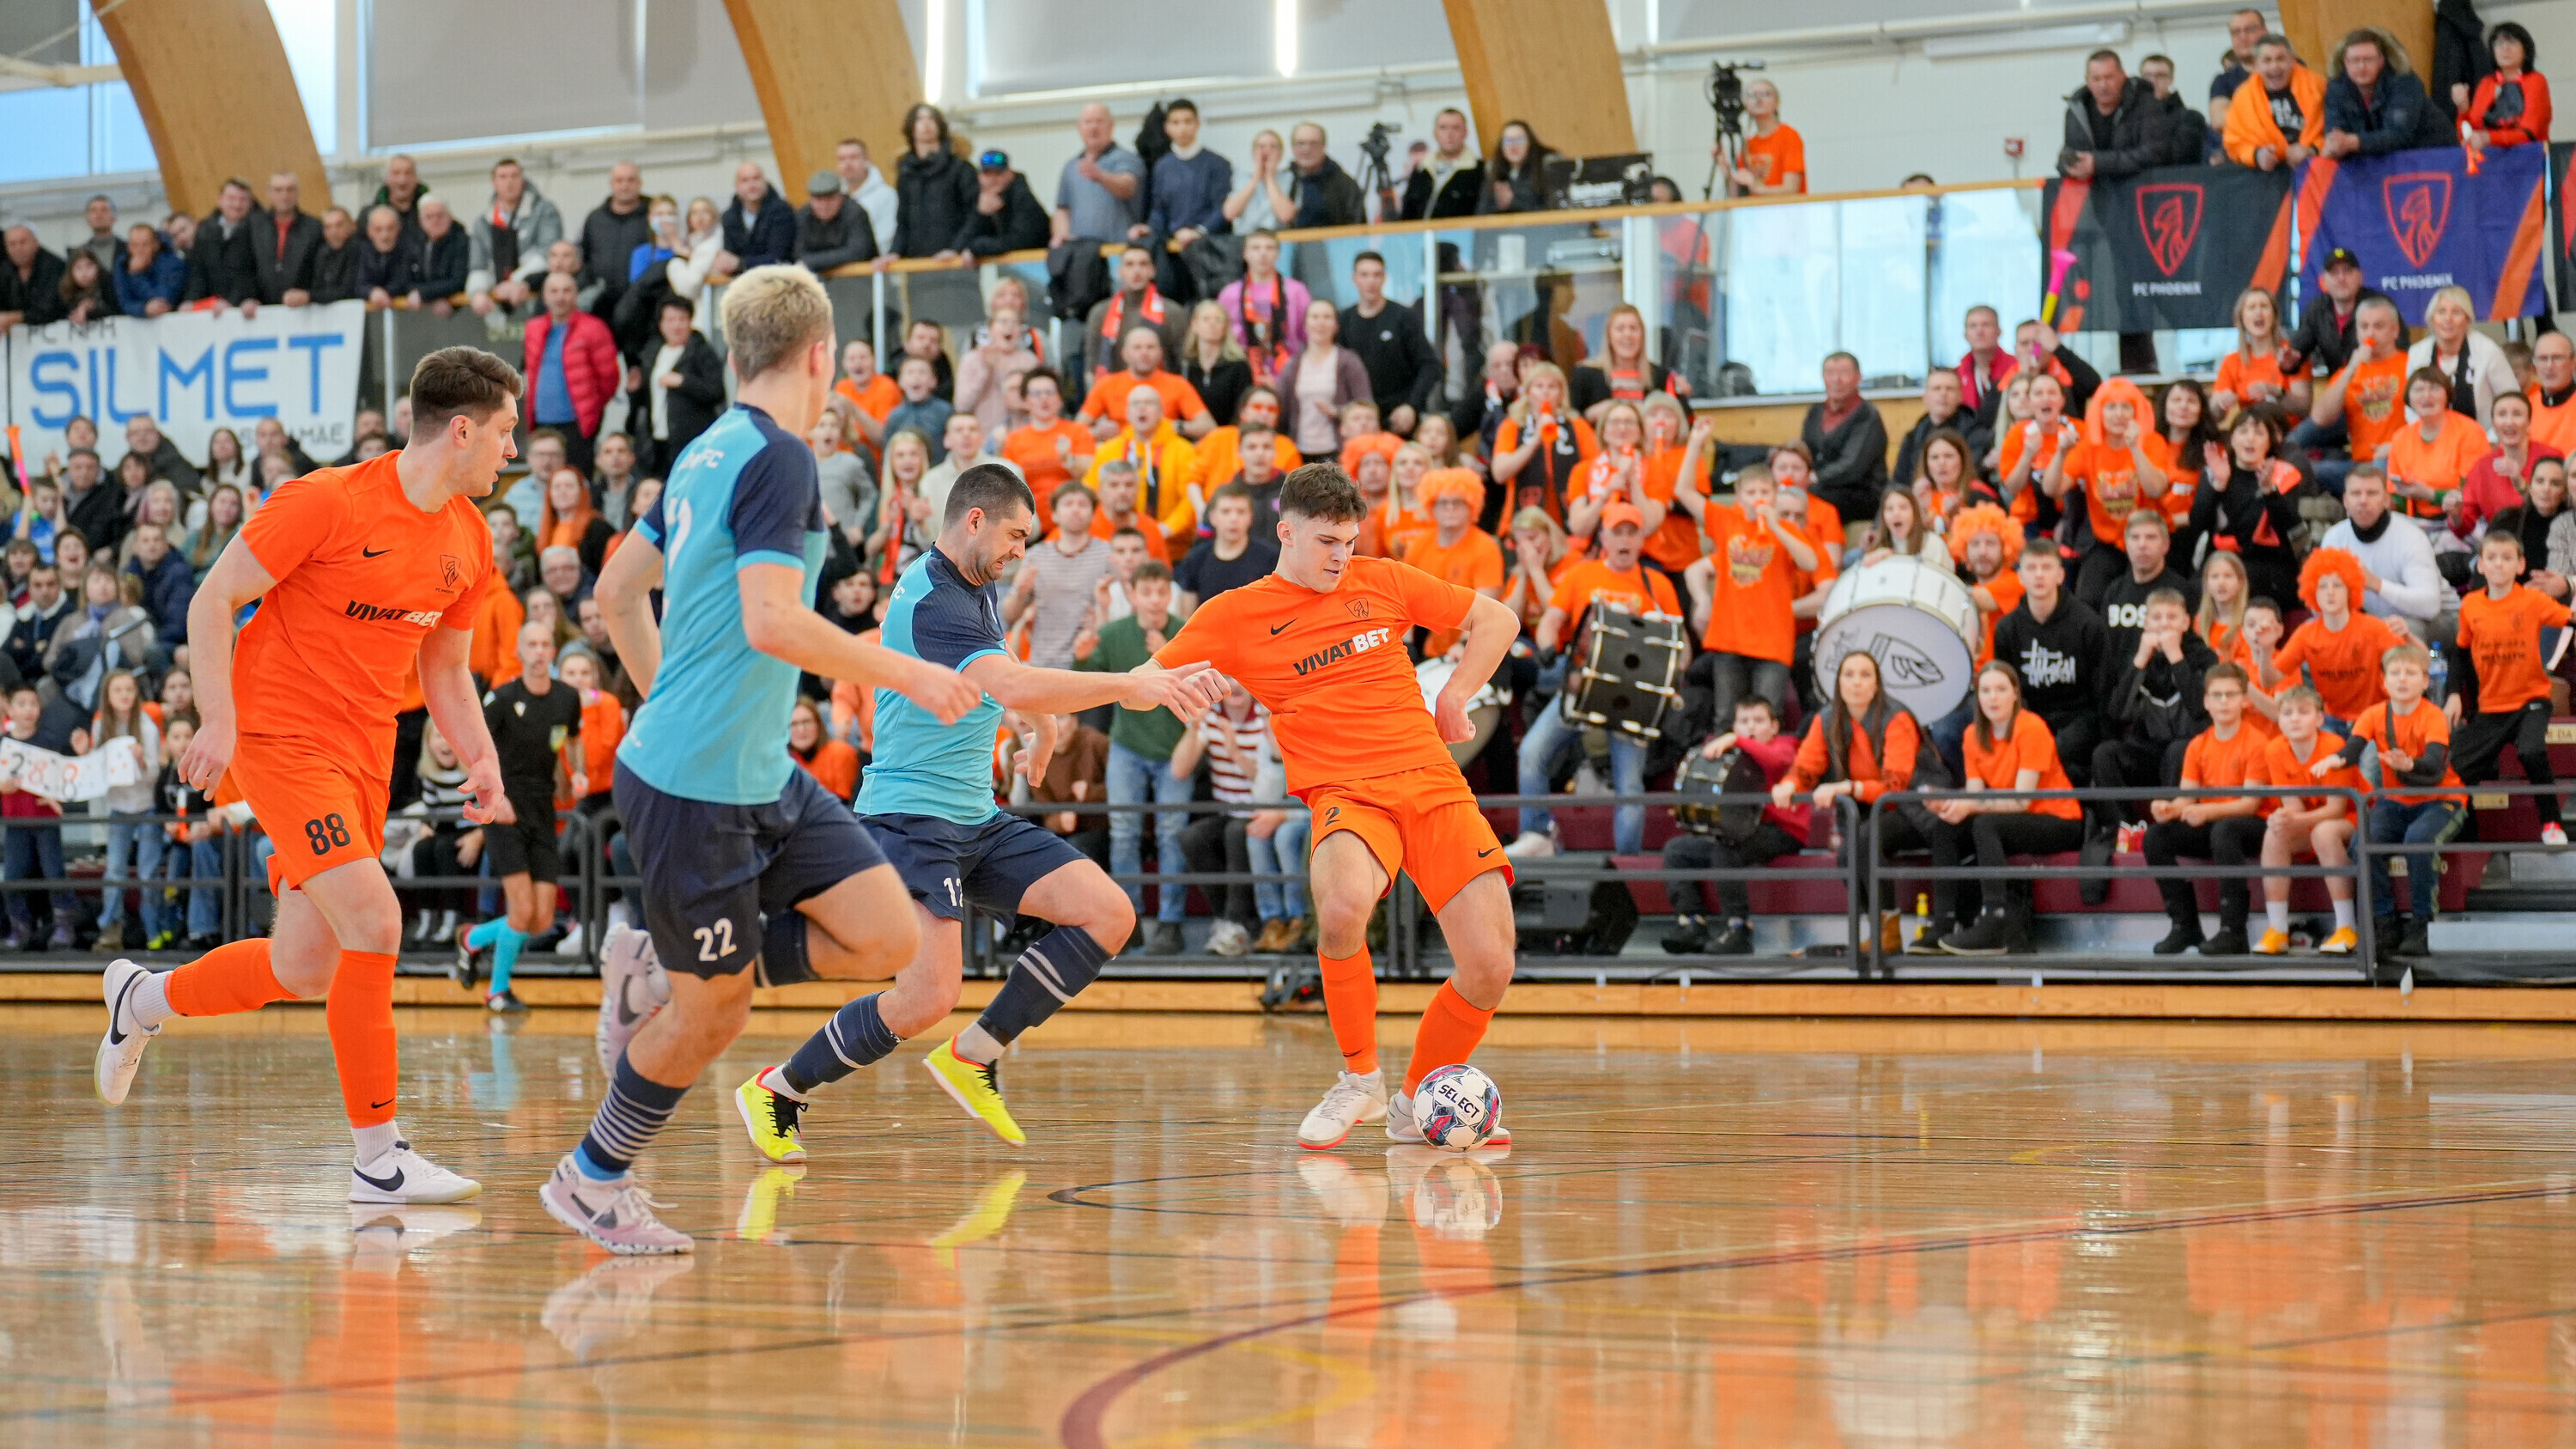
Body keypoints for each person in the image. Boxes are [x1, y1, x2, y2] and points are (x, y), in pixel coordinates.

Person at [542, 266, 988, 1253]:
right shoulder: (781, 457)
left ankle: (658, 974)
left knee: (889, 935)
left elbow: (615, 593)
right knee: (718, 1015)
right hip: (695, 786)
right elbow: (773, 621)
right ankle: (591, 1176)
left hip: (754, 771)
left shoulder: (704, 450)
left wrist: (668, 697)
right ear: (821, 355)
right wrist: (909, 674)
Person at [92, 347, 524, 1208]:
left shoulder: (470, 539)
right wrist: (218, 719)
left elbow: (444, 667)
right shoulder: (328, 500)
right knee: (377, 918)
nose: (511, 450)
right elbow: (211, 599)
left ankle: (143, 998)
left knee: (304, 965)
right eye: (506, 431)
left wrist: (481, 755)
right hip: (280, 738)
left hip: (365, 753)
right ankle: (379, 1157)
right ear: (462, 429)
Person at [732, 460, 1224, 1161]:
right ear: (974, 520)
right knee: (926, 997)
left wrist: (1038, 724)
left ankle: (976, 1052)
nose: (1021, 550)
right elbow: (1009, 678)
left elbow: (1002, 671)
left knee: (1109, 913)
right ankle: (778, 1088)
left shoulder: (974, 581)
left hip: (976, 816)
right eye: (1017, 535)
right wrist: (1127, 684)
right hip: (913, 819)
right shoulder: (933, 598)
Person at [1138, 462, 1522, 1148]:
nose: (1341, 556)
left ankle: (1414, 1105)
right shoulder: (1235, 613)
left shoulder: (1383, 579)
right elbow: (1145, 678)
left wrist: (1456, 692)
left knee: (1491, 965)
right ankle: (1360, 1081)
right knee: (1342, 909)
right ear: (1286, 532)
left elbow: (1497, 618)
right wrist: (1147, 691)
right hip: (1346, 790)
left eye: (1349, 541)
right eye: (1326, 542)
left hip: (1431, 779)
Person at [1510, 504, 1682, 860]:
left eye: (1632, 532)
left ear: (1642, 540)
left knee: (1629, 785)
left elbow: (1682, 645)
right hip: (1582, 687)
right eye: (1617, 532)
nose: (1624, 539)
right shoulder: (1582, 574)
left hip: (1630, 697)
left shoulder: (1658, 585)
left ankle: (1627, 867)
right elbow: (1551, 620)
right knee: (1531, 752)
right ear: (1603, 537)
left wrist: (1671, 669)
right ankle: (1537, 834)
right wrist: (1547, 647)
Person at [450, 621, 581, 1012]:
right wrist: (491, 795)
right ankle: (498, 991)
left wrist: (576, 774)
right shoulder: (502, 699)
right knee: (521, 912)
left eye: (545, 644)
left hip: (544, 809)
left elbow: (571, 740)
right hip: (505, 811)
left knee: (542, 920)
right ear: (520, 652)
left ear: (553, 651)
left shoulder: (567, 698)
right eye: (532, 645)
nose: (539, 651)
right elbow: (470, 747)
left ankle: (471, 939)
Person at [1069, 559, 1193, 952]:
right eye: (1147, 592)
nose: (1155, 600)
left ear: (1170, 595)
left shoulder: (1185, 633)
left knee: (1172, 834)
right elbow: (1089, 680)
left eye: (1162, 592)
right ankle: (1130, 921)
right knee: (1123, 833)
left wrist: (1170, 658)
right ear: (1133, 595)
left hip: (1174, 749)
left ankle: (1170, 923)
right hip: (1126, 746)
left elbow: (1204, 688)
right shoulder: (1113, 634)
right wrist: (1081, 656)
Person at [1774, 650, 1929, 958]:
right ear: (1838, 683)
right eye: (1849, 675)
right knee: (1848, 853)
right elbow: (1806, 767)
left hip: (1913, 809)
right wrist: (1789, 784)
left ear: (1877, 684)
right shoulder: (1826, 718)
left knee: (1864, 840)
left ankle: (1889, 932)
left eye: (1865, 675)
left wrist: (1849, 787)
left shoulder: (1896, 718)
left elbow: (1896, 786)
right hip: (1868, 812)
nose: (1856, 682)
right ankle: (1879, 928)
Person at [1929, 661, 2087, 955]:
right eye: (1986, 690)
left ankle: (1995, 920)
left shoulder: (2031, 727)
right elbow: (1975, 797)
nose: (1993, 697)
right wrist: (1951, 805)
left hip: (2058, 819)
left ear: (2015, 694)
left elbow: (2021, 801)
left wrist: (1970, 805)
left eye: (2001, 689)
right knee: (1946, 827)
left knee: (1985, 824)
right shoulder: (1973, 735)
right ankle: (1943, 922)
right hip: (2015, 818)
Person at [2338, 642, 2467, 956]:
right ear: (2384, 682)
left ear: (2425, 681)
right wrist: (2334, 760)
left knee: (2418, 841)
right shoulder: (2373, 714)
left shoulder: (2434, 716)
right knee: (2361, 844)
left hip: (2441, 798)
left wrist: (2409, 765)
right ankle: (2384, 921)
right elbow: (2352, 749)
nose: (2402, 678)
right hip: (2393, 800)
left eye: (2410, 672)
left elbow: (2434, 764)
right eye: (2395, 673)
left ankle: (2422, 923)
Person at [2449, 528, 2570, 845]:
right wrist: (2453, 694)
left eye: (2506, 558)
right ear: (2480, 565)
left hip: (2531, 700)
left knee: (2531, 750)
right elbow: (2460, 652)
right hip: (2491, 708)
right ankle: (2469, 837)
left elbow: (2568, 619)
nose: (2499, 564)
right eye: (2491, 558)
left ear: (2520, 565)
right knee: (2457, 768)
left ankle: (2552, 823)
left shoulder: (2533, 601)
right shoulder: (2470, 605)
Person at [2139, 662, 2269, 956]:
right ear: (2206, 702)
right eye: (2217, 695)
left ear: (2244, 700)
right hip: (2214, 823)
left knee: (2224, 831)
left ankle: (2233, 931)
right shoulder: (2198, 744)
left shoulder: (2257, 742)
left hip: (2253, 824)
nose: (2224, 702)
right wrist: (2169, 809)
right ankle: (2184, 926)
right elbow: (2187, 799)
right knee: (2156, 837)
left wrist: (2205, 813)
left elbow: (2250, 804)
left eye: (2231, 695)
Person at [1658, 695, 1801, 956]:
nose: (1751, 727)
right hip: (1741, 830)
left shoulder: (1786, 745)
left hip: (1783, 831)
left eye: (1759, 721)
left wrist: (1736, 740)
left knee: (1727, 848)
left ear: (1774, 727)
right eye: (1744, 722)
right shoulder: (1733, 754)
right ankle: (1692, 923)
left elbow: (1777, 761)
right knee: (1676, 851)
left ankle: (1739, 929)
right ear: (1735, 726)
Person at [1685, 464, 1815, 727]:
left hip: (1772, 643)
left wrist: (1777, 527)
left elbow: (1810, 562)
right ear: (1738, 497)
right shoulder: (1726, 521)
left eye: (1765, 492)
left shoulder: (1787, 530)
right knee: (1726, 716)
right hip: (1730, 638)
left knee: (1768, 716)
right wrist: (1696, 444)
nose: (1758, 498)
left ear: (1775, 496)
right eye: (1751, 492)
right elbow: (1684, 491)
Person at [2246, 685, 2366, 955]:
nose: (2295, 719)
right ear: (2279, 721)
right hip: (2315, 819)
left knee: (2324, 832)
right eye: (2287, 713)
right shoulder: (2274, 750)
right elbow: (2293, 806)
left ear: (2319, 719)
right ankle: (2278, 929)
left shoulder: (2333, 745)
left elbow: (2336, 809)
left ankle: (2347, 927)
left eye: (2303, 712)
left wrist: (2294, 821)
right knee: (2274, 833)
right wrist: (2283, 818)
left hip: (2354, 815)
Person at [1991, 538, 2110, 788]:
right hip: (2030, 717)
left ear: (2060, 575)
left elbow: (2102, 691)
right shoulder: (2007, 629)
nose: (2039, 575)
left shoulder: (2088, 624)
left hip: (2078, 717)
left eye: (2046, 567)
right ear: (2020, 576)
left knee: (2060, 751)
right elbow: (2006, 690)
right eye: (2031, 568)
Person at [2046, 379, 2173, 606]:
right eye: (2111, 407)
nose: (2119, 414)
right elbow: (2052, 488)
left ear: (2137, 412)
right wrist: (2061, 453)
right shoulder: (2088, 447)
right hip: (2106, 543)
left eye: (2126, 407)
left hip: (2148, 541)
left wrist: (2135, 448)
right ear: (2100, 412)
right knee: (2088, 599)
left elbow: (2155, 489)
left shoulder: (2153, 442)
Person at [2259, 547, 2403, 725]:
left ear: (2350, 590)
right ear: (2313, 592)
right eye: (2323, 586)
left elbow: (2416, 663)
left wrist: (2408, 635)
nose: (2330, 592)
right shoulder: (2306, 633)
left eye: (2337, 585)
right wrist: (2266, 650)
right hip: (2332, 720)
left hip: (2375, 719)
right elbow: (2269, 680)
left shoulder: (2374, 628)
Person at [2321, 465, 2455, 641]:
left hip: (2441, 620)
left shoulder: (2410, 536)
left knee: (2401, 630)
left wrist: (2376, 584)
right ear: (2345, 501)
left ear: (2386, 500)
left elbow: (2430, 606)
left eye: (2372, 493)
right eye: (2356, 494)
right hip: (2376, 621)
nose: (2363, 501)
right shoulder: (2334, 538)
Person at [520, 271, 620, 476]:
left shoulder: (594, 328)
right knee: (543, 481)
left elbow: (609, 378)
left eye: (566, 291)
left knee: (577, 479)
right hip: (541, 421)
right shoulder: (533, 328)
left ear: (576, 295)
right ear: (544, 297)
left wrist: (590, 407)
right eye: (554, 291)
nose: (560, 297)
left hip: (577, 424)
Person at [1008, 482, 1117, 668]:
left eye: (1082, 504)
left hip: (1092, 664)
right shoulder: (1035, 557)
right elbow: (1010, 616)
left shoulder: (1109, 556)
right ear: (1054, 514)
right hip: (1042, 663)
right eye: (1068, 504)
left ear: (1093, 514)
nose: (1075, 510)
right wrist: (1020, 592)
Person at [2308, 296, 2410, 496]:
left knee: (2380, 465)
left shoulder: (2411, 364)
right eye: (2364, 327)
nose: (2370, 333)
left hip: (2398, 461)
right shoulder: (2347, 373)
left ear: (2395, 331)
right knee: (2305, 472)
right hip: (2359, 466)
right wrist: (2351, 370)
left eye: (2379, 326)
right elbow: (2320, 418)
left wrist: (2396, 447)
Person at [1340, 253, 1440, 436]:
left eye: (1377, 275)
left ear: (1385, 278)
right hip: (1359, 421)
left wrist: (1411, 406)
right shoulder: (1344, 321)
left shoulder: (1403, 317)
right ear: (1354, 279)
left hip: (1399, 417)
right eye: (1364, 275)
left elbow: (1430, 365)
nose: (1371, 282)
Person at [630, 295, 725, 480]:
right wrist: (634, 390)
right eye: (671, 320)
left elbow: (716, 391)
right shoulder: (653, 351)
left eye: (682, 319)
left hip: (690, 437)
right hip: (657, 437)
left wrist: (683, 382)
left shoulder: (701, 351)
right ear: (661, 324)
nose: (676, 326)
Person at [2321, 27, 2446, 159]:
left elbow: (2398, 135)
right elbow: (2334, 127)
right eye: (2355, 60)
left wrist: (2352, 142)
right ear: (2345, 63)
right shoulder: (2336, 87)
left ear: (2381, 61)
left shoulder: (2405, 82)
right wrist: (2335, 144)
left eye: (2368, 60)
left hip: (2433, 153)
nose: (2361, 67)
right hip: (2380, 160)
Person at [1797, 352, 1888, 526]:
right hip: (1821, 486)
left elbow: (1852, 466)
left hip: (1861, 493)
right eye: (1830, 373)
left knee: (1810, 497)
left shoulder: (1867, 416)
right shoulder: (1815, 412)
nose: (1836, 380)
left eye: (1844, 373)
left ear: (1858, 378)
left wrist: (1814, 478)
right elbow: (1804, 453)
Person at [2408, 285, 2515, 431]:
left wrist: (2492, 439)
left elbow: (2511, 399)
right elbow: (2410, 405)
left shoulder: (2488, 350)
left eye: (2456, 312)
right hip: (2431, 438)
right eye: (2441, 312)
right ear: (2432, 318)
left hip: (2482, 438)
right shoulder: (2417, 353)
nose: (2448, 319)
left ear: (2467, 319)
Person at [466, 158, 564, 316]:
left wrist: (515, 281)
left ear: (523, 180)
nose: (509, 182)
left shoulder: (545, 211)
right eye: (503, 177)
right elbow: (478, 265)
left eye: (514, 176)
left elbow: (549, 253)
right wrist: (477, 292)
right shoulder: (483, 222)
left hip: (537, 300)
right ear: (494, 183)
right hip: (497, 305)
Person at [2058, 50, 2175, 180]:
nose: (2103, 85)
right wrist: (2069, 165)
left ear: (2123, 76)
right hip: (2092, 190)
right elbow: (2067, 156)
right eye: (2096, 79)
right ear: (2088, 81)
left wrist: (2098, 163)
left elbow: (2154, 154)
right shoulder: (2077, 111)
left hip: (2136, 187)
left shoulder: (2146, 105)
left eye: (2109, 77)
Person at [2224, 33, 2327, 171]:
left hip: (2318, 166)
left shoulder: (2318, 86)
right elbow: (2233, 143)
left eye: (2280, 59)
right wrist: (2256, 155)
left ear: (2293, 61)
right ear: (2256, 65)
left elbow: (2337, 131)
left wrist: (2313, 149)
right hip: (2268, 174)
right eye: (2267, 60)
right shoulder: (2243, 97)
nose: (2274, 66)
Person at [890, 104, 980, 261]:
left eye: (931, 119)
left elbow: (974, 214)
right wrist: (894, 252)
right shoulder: (906, 173)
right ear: (911, 128)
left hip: (954, 260)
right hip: (917, 262)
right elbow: (903, 220)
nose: (926, 124)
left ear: (940, 126)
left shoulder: (960, 168)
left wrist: (956, 249)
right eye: (919, 119)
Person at [1086, 247, 1186, 385]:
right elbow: (1091, 366)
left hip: (1161, 392)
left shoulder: (1172, 312)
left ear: (1152, 271)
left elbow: (1182, 364)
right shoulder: (1100, 313)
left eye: (1143, 264)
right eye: (1129, 264)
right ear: (1120, 271)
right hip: (1114, 392)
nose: (1136, 271)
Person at [1173, 484, 1279, 612]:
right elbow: (1187, 615)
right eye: (1226, 511)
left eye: (1241, 512)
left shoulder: (1269, 558)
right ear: (1213, 517)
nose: (1233, 519)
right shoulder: (1196, 559)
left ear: (1250, 517)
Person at [1053, 101, 1146, 245]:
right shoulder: (1071, 167)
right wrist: (1062, 238)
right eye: (1088, 122)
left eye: (1099, 121)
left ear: (1111, 126)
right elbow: (1062, 209)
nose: (1093, 127)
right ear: (1079, 128)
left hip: (1119, 248)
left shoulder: (1127, 159)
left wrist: (1101, 177)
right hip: (1080, 250)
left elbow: (1128, 187)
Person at [2458, 21, 2550, 155]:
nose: (2505, 48)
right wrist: (2463, 109)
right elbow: (2470, 134)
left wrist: (2488, 138)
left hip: (2529, 158)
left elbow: (2530, 133)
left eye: (2512, 42)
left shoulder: (2535, 80)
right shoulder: (2487, 83)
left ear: (2525, 50)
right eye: (2499, 43)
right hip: (2489, 159)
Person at [1002, 368, 1095, 498]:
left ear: (1060, 398)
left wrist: (1068, 458)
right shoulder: (1014, 439)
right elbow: (1008, 482)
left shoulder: (1078, 431)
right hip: (1031, 507)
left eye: (1050, 392)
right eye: (1036, 394)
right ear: (1025, 400)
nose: (1044, 399)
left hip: (1070, 504)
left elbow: (1089, 473)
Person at [952, 310, 1038, 442]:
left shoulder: (1029, 361)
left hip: (1020, 435)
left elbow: (1032, 403)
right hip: (980, 437)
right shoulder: (972, 359)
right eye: (1003, 322)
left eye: (1014, 323)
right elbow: (962, 406)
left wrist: (998, 370)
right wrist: (985, 370)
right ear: (990, 329)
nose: (1009, 327)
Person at [1176, 301, 1254, 431]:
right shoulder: (1184, 366)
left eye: (1218, 320)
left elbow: (1242, 409)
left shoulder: (1239, 367)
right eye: (1206, 319)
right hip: (1190, 437)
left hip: (1226, 436)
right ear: (1194, 325)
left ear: (1225, 327)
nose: (1212, 324)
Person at [1401, 107, 1485, 219]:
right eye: (1443, 128)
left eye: (1456, 128)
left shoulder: (1479, 171)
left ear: (1465, 133)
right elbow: (1407, 215)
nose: (1449, 134)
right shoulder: (1421, 171)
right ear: (1435, 133)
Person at [792, 168, 877, 274]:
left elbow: (858, 252)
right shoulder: (803, 216)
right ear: (810, 200)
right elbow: (798, 254)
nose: (824, 206)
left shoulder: (855, 213)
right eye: (818, 200)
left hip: (860, 277)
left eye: (829, 199)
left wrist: (813, 262)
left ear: (841, 197)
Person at [1475, 120, 1551, 214]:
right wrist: (1499, 204)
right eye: (1508, 141)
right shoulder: (1494, 171)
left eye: (1520, 140)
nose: (1514, 146)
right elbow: (1481, 213)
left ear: (1530, 143)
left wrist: (1513, 201)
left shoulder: (1546, 167)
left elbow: (1552, 209)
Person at [114, 222, 184, 317]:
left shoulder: (171, 263)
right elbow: (124, 302)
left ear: (156, 245)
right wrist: (143, 309)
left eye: (145, 245)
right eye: (135, 245)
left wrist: (137, 275)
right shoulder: (122, 264)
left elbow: (162, 300)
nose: (140, 250)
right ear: (129, 247)